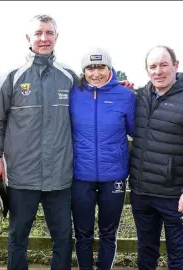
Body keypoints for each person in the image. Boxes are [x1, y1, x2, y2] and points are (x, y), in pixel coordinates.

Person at [0, 14, 78, 270]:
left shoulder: (70, 77)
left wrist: (122, 87)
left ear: (56, 37)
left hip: (59, 177)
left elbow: (95, 94)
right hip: (21, 176)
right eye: (38, 33)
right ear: (28, 38)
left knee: (63, 238)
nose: (44, 38)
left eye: (49, 33)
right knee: (18, 238)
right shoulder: (12, 75)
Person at [129, 45, 183, 270]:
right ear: (147, 70)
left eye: (164, 65)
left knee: (178, 254)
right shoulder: (140, 97)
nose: (158, 71)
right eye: (153, 66)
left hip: (176, 196)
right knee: (146, 251)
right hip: (142, 193)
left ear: (176, 66)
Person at [70, 48, 136, 270]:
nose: (95, 73)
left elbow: (136, 130)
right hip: (80, 175)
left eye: (101, 67)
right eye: (90, 67)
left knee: (108, 233)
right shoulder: (73, 94)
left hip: (114, 177)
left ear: (110, 69)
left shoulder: (125, 96)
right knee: (82, 233)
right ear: (84, 70)